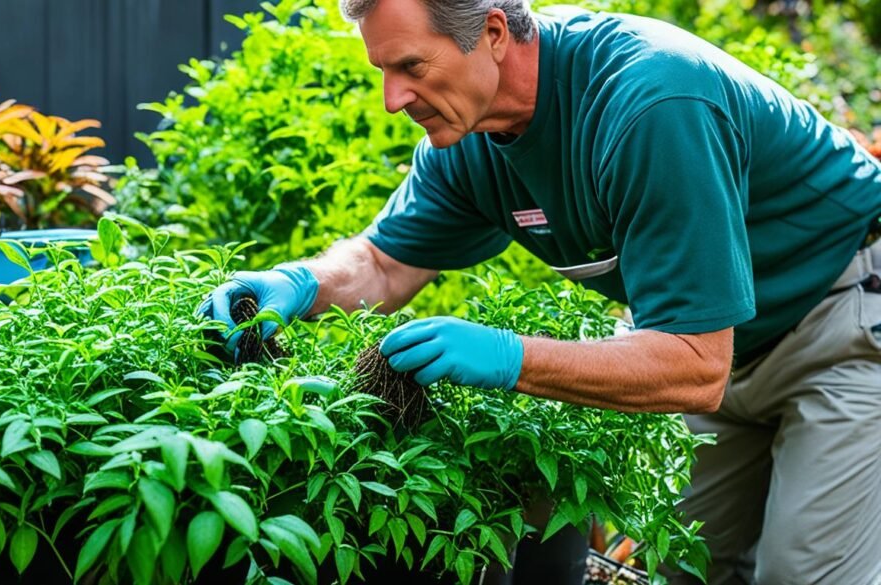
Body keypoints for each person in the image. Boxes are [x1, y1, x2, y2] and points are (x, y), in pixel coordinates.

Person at [202, 0, 881, 582]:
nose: (393, 97)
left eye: (412, 67)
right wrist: (296, 282)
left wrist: (509, 358)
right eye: (383, 70)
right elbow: (382, 263)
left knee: (803, 571)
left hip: (839, 319)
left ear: (493, 33)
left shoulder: (651, 101)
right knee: (680, 565)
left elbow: (696, 365)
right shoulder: (465, 141)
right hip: (727, 342)